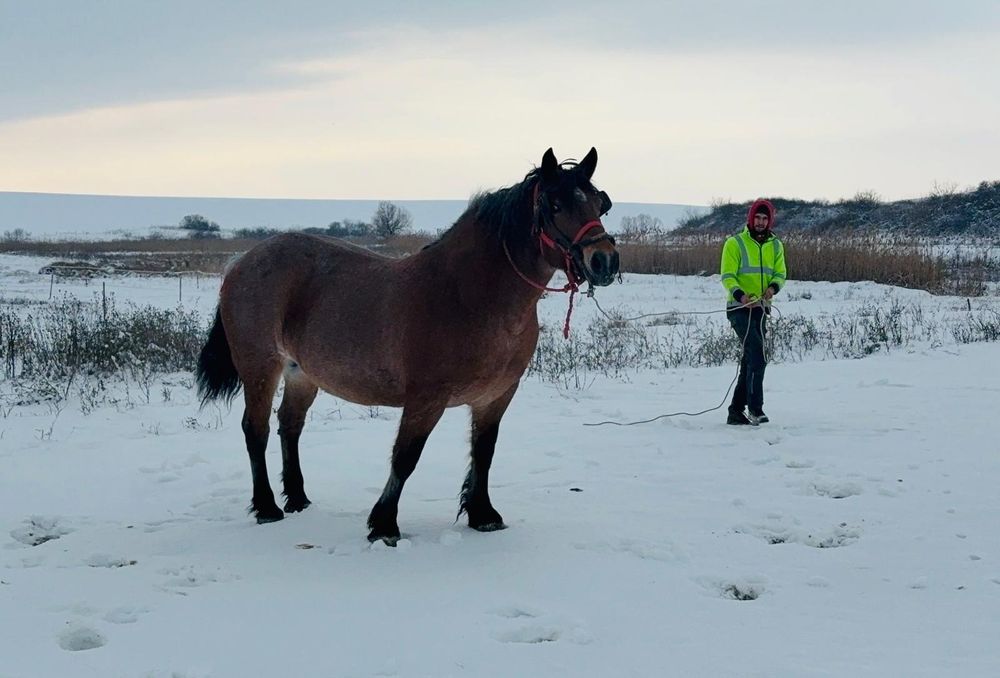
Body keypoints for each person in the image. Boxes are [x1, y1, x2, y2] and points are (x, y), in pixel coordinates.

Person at [720, 199, 786, 425]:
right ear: (750, 218)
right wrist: (741, 296)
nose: (760, 222)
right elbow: (727, 276)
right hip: (739, 309)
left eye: (765, 218)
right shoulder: (734, 243)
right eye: (757, 217)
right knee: (758, 355)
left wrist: (772, 289)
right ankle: (755, 409)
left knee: (750, 359)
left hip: (760, 310)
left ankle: (735, 411)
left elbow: (780, 274)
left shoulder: (776, 246)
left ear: (770, 221)